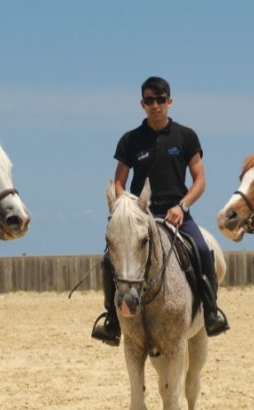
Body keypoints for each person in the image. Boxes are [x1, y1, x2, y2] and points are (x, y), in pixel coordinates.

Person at [91, 76, 229, 346]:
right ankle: (112, 319)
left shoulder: (186, 136)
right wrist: (128, 209)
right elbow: (119, 182)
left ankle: (211, 313)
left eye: (161, 100)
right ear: (142, 104)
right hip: (142, 216)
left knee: (202, 250)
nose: (156, 105)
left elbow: (200, 180)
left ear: (170, 101)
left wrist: (182, 206)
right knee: (109, 259)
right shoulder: (130, 140)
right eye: (150, 100)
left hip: (178, 213)